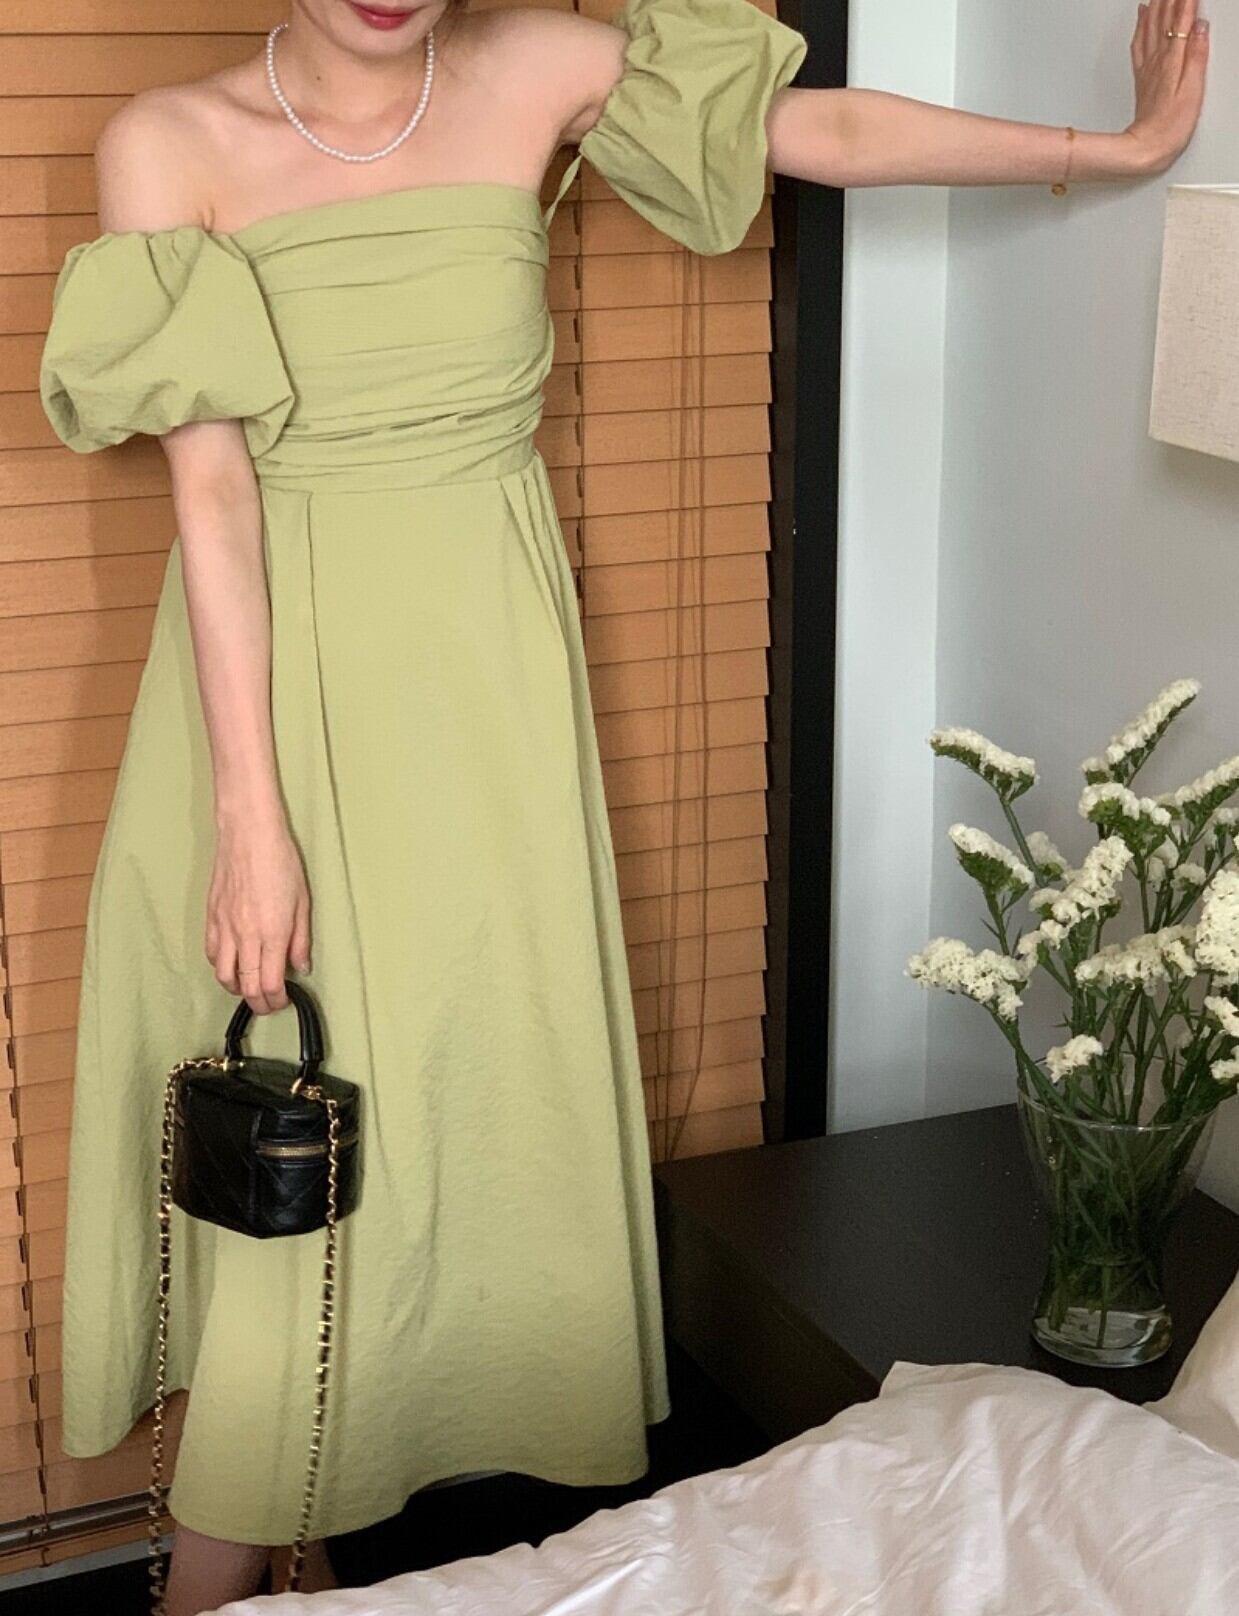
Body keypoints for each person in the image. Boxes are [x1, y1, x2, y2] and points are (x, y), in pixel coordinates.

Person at [36, 0, 1207, 1611]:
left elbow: (822, 131)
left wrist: (1117, 148)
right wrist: (253, 821)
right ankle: (217, 1572)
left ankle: (339, 1558)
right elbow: (215, 491)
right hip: (276, 714)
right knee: (295, 1140)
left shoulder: (537, 67)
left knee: (443, 1125)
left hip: (491, 709)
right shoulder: (169, 142)